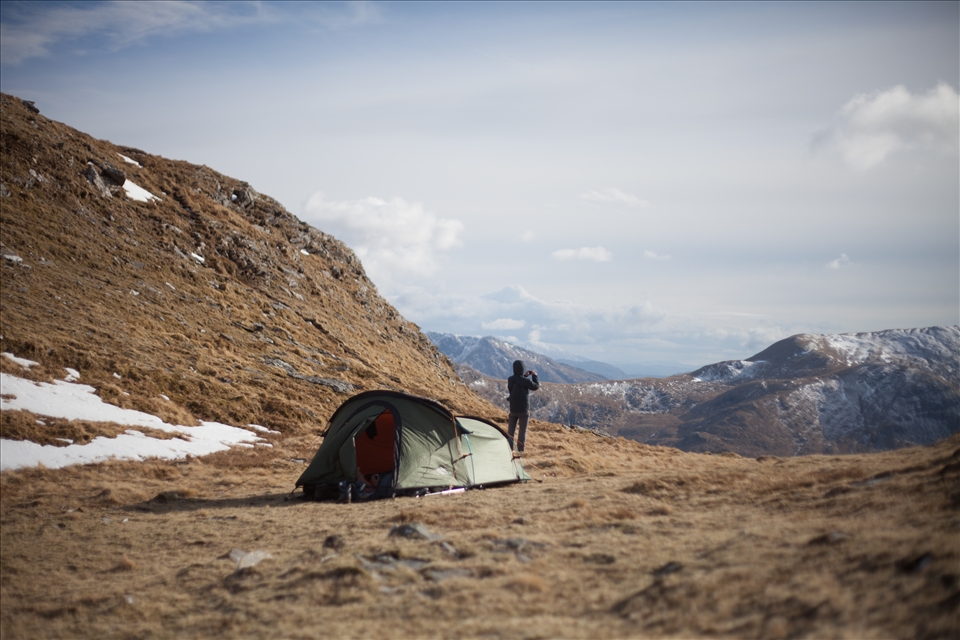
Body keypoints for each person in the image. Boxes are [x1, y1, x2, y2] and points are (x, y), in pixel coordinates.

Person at [507, 360, 539, 453]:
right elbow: (535, 386)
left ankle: (509, 448)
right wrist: (534, 375)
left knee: (511, 430)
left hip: (513, 408)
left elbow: (514, 385)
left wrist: (524, 376)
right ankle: (520, 450)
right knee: (522, 430)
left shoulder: (510, 379)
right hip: (523, 409)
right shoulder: (525, 381)